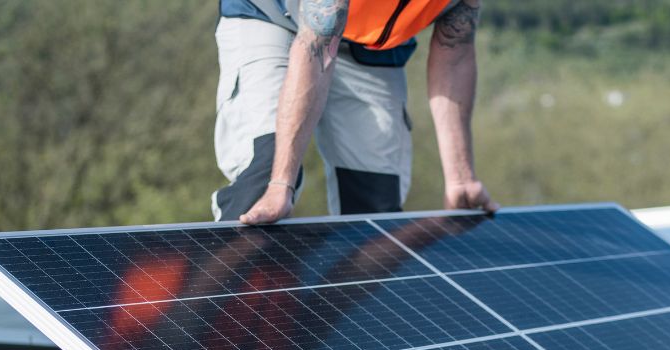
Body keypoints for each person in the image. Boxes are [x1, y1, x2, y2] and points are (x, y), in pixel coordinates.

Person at [212, 0, 500, 225]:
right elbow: (318, 44)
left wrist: (461, 178)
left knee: (375, 211)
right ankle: (223, 283)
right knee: (265, 182)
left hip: (369, 44)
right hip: (273, 17)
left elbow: (455, 49)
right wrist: (280, 183)